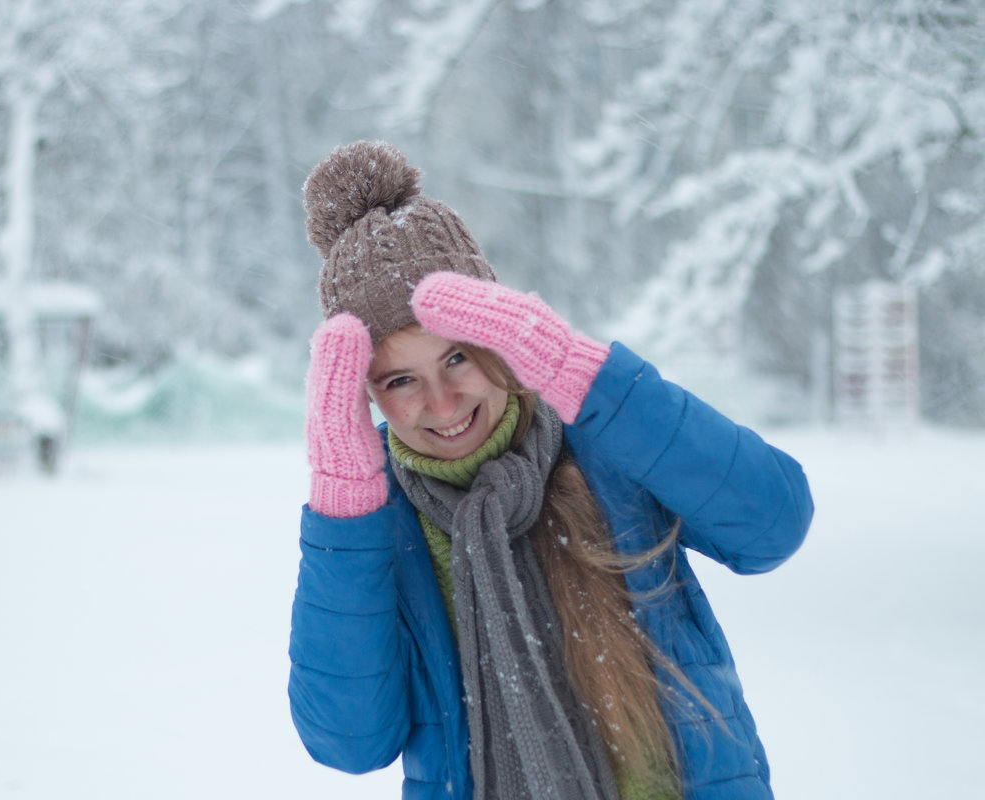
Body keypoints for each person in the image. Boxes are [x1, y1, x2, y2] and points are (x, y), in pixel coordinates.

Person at [288, 141, 814, 800]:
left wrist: (585, 376)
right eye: (401, 379)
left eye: (457, 358)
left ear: (497, 334)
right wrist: (342, 505)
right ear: (367, 394)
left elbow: (774, 524)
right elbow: (349, 742)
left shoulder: (608, 440)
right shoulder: (379, 527)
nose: (443, 403)